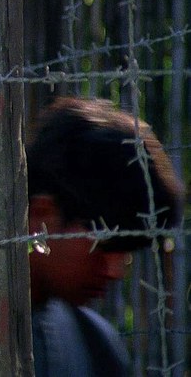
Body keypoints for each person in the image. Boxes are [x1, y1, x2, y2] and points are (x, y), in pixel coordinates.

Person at [26, 97, 184, 377]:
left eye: (126, 250)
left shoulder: (98, 347)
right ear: (42, 214)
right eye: (104, 244)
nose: (115, 271)